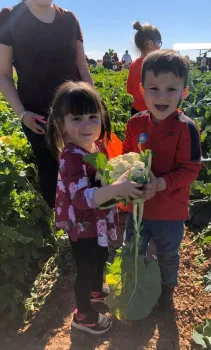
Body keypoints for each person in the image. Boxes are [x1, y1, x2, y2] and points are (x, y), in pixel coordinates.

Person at [46, 81, 144, 334]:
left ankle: (96, 290)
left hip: (97, 220)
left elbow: (102, 178)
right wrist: (118, 188)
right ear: (61, 123)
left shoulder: (95, 146)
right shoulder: (71, 157)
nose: (87, 125)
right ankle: (83, 315)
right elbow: (80, 198)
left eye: (93, 117)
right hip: (82, 224)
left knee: (101, 256)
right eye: (77, 118)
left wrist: (115, 182)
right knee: (86, 267)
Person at [122, 50, 201, 313]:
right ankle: (137, 285)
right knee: (134, 250)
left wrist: (160, 185)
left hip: (170, 210)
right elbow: (126, 158)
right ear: (141, 91)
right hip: (137, 209)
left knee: (168, 254)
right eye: (154, 88)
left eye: (171, 89)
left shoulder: (186, 128)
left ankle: (166, 291)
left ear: (184, 93)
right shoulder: (135, 124)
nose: (162, 96)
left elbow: (191, 169)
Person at [0, 0, 93, 209]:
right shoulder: (9, 17)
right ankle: (59, 227)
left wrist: (94, 108)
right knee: (51, 173)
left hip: (75, 113)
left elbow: (83, 69)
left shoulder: (69, 19)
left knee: (81, 168)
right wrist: (22, 113)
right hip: (37, 116)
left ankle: (85, 228)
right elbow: (4, 75)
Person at [127, 21, 162, 116]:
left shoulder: (133, 64)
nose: (159, 47)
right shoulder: (156, 65)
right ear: (150, 44)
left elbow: (129, 89)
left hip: (136, 111)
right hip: (153, 112)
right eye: (159, 43)